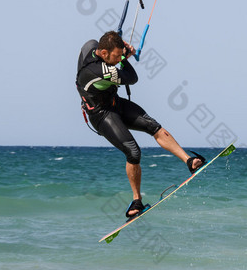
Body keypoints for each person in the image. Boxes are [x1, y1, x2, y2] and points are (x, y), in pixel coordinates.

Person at [76, 31, 205, 218]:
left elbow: (99, 43)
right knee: (133, 152)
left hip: (115, 103)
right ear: (103, 53)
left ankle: (190, 161)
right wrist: (126, 58)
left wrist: (120, 47)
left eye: (120, 54)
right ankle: (136, 201)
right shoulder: (96, 71)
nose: (119, 58)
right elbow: (132, 78)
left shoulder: (92, 46)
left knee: (154, 126)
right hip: (101, 115)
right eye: (116, 55)